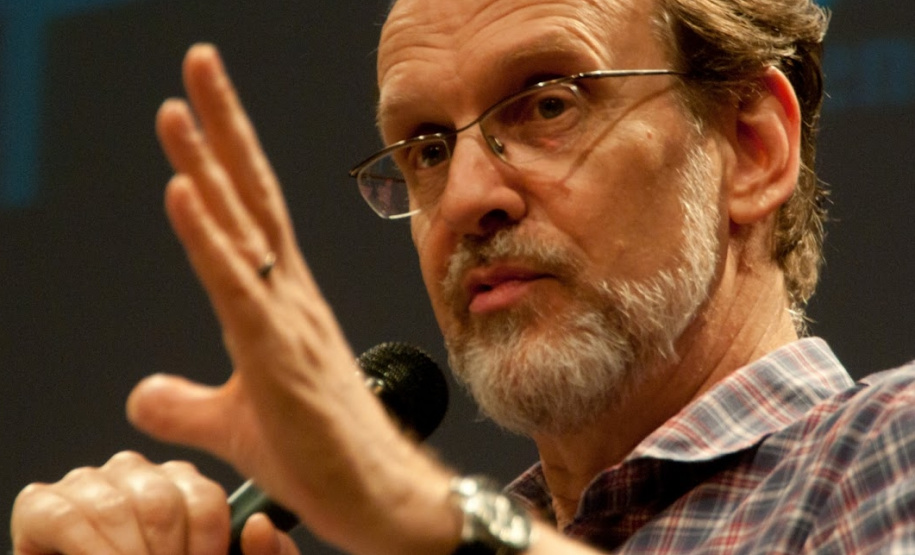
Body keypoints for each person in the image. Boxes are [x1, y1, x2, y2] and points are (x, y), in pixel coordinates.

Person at [11, 0, 915, 553]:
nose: (466, 197)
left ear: (752, 147)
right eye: (427, 148)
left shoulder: (883, 452)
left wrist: (444, 521)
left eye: (549, 103)